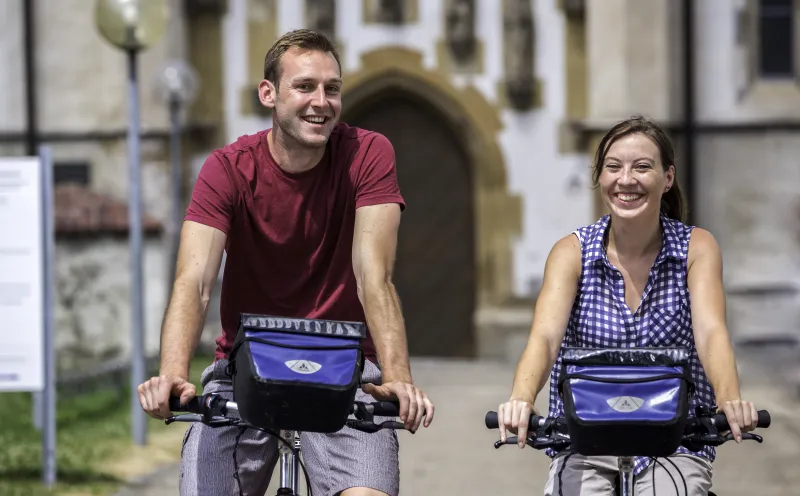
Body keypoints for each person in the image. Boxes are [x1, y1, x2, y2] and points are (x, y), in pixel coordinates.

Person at [137, 29, 435, 496]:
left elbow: (372, 276)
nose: (321, 101)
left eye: (332, 88)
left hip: (346, 370)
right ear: (269, 93)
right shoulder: (228, 168)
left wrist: (398, 379)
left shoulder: (367, 153)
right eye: (305, 86)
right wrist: (173, 373)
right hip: (246, 370)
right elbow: (194, 280)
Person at [496, 116, 759, 495]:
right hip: (585, 438)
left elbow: (711, 332)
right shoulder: (571, 252)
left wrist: (729, 400)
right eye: (614, 166)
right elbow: (546, 336)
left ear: (667, 177)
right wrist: (520, 400)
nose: (626, 180)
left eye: (642, 166)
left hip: (674, 438)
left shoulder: (696, 248)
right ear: (600, 177)